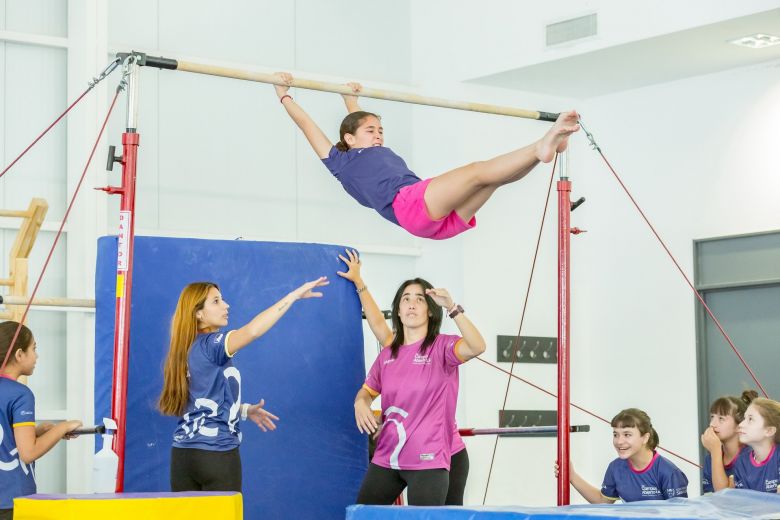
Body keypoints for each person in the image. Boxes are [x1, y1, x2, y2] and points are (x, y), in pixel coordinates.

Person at [273, 73, 579, 240]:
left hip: (431, 222)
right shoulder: (340, 163)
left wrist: (349, 98)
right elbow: (307, 126)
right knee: (477, 171)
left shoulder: (371, 149)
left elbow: (361, 122)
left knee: (492, 181)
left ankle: (542, 150)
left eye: (381, 130)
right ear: (349, 140)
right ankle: (541, 145)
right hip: (410, 205)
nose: (378, 135)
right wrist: (284, 94)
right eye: (371, 131)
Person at [336, 249, 485, 505]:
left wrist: (452, 307)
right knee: (363, 513)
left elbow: (477, 346)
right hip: (390, 455)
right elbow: (367, 388)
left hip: (436, 456)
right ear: (398, 309)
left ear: (430, 310)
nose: (412, 303)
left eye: (419, 299)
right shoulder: (389, 353)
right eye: (406, 299)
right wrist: (360, 402)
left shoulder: (443, 348)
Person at [158, 277, 328, 492]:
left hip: (182, 456)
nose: (226, 305)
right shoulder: (213, 345)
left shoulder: (184, 348)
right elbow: (253, 331)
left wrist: (243, 411)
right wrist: (293, 296)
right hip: (216, 454)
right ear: (198, 313)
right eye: (216, 301)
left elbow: (201, 402)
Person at [0, 321, 82, 519]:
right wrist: (62, 427)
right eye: (33, 349)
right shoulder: (21, 394)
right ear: (19, 354)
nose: (37, 356)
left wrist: (35, 432)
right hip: (13, 502)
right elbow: (28, 452)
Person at [556, 408, 688, 502]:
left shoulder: (668, 472)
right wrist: (572, 476)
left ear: (645, 437)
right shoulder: (615, 468)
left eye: (627, 434)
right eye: (615, 434)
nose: (619, 441)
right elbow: (603, 501)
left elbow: (681, 515)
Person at [700, 391, 752, 492]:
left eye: (721, 419)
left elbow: (724, 496)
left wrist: (715, 451)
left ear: (739, 425)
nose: (712, 424)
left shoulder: (750, 456)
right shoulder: (709, 459)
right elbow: (711, 497)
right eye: (712, 417)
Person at [731, 393, 780, 493]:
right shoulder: (741, 462)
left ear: (769, 431)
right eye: (744, 418)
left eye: (750, 419)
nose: (741, 424)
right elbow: (745, 503)